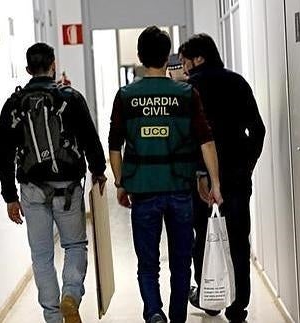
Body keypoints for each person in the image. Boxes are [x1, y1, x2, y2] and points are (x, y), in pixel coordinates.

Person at [108, 26, 224, 323]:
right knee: (181, 262)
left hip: (143, 190)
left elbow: (114, 146)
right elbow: (206, 140)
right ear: (167, 55)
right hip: (179, 188)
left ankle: (154, 313)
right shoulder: (186, 93)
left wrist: (121, 183)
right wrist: (215, 184)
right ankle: (176, 317)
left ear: (140, 56)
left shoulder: (126, 95)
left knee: (148, 263)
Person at [0, 42, 107, 323]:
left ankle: (53, 317)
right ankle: (70, 294)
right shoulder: (71, 98)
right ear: (53, 64)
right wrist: (99, 171)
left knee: (42, 255)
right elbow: (90, 139)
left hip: (32, 190)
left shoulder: (13, 104)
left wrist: (10, 196)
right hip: (68, 187)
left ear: (28, 69)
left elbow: (3, 152)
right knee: (74, 245)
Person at [178, 34, 266, 323]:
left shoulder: (189, 90)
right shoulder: (237, 83)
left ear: (198, 58)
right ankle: (238, 306)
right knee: (239, 240)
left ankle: (211, 298)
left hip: (202, 178)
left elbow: (186, 139)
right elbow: (258, 130)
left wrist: (197, 173)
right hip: (237, 176)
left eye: (185, 61)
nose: (184, 67)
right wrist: (247, 165)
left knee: (204, 237)